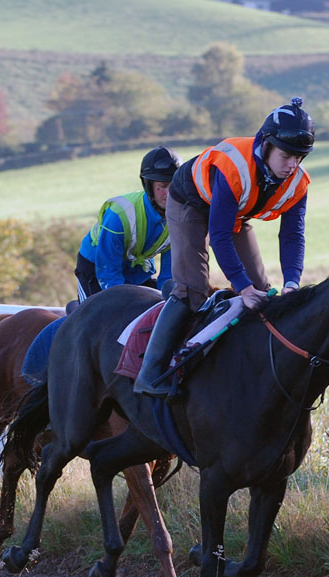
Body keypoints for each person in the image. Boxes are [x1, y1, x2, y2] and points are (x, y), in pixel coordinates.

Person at [134, 97, 314, 396]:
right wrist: (241, 287)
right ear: (266, 145)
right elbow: (218, 235)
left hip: (234, 211)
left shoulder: (298, 182)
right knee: (193, 289)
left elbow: (293, 235)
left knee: (262, 288)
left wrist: (292, 283)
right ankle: (150, 372)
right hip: (189, 202)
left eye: (300, 156)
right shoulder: (235, 167)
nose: (292, 164)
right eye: (286, 155)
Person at [74, 146, 181, 301]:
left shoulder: (180, 217)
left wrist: (167, 301)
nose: (169, 194)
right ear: (148, 185)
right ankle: (60, 325)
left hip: (134, 268)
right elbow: (108, 272)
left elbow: (168, 275)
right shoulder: (119, 216)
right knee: (99, 318)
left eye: (174, 186)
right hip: (97, 268)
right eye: (163, 187)